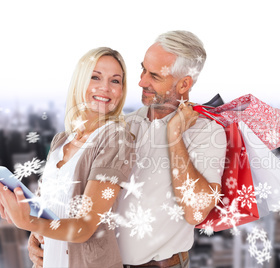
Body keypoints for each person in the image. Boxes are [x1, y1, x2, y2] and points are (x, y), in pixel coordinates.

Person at [28, 30, 227, 268]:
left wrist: (174, 136)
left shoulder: (207, 133)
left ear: (184, 83)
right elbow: (75, 194)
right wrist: (41, 236)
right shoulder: (124, 125)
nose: (142, 81)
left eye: (154, 75)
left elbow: (196, 212)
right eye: (142, 69)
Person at [0, 47, 135, 268]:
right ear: (80, 80)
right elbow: (48, 211)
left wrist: (27, 222)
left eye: (115, 81)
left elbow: (85, 227)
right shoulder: (61, 141)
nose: (105, 88)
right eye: (95, 77)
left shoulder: (116, 139)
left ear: (121, 90)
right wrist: (35, 232)